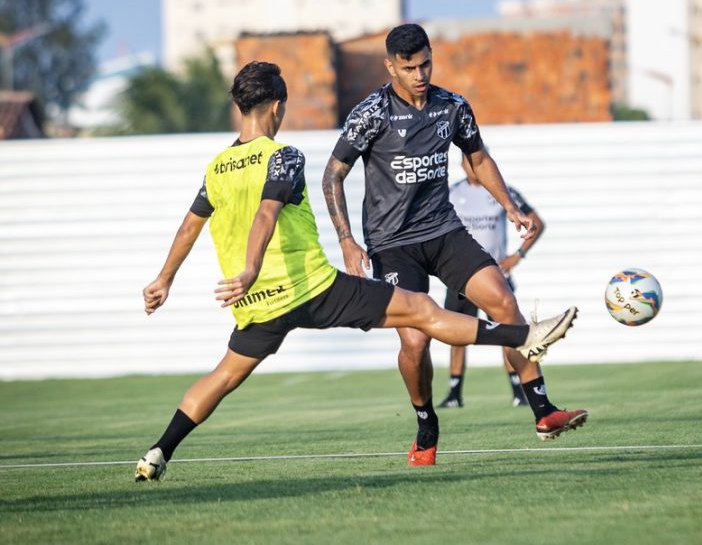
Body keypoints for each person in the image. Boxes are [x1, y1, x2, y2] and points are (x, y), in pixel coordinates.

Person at [134, 61, 578, 481]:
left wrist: (164, 280)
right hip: (311, 288)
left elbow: (190, 226)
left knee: (223, 376)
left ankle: (159, 451)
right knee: (421, 309)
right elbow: (267, 215)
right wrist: (252, 267)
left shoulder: (217, 168)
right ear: (277, 106)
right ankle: (524, 336)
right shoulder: (282, 155)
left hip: (256, 304)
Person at [322, 24, 588, 466]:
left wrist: (509, 206)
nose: (420, 74)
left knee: (503, 300)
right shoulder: (371, 113)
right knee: (414, 343)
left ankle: (544, 411)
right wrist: (347, 241)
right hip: (392, 244)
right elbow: (333, 174)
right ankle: (427, 424)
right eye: (409, 68)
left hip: (443, 231)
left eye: (425, 63)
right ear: (391, 67)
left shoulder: (452, 107)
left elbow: (477, 159)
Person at [438, 152, 546, 409]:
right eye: (465, 161)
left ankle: (519, 390)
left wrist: (517, 256)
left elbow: (537, 223)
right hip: (460, 277)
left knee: (508, 331)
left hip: (496, 277)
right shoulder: (451, 193)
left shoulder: (503, 193)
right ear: (461, 164)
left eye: (475, 160)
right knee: (456, 335)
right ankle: (454, 394)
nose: (470, 166)